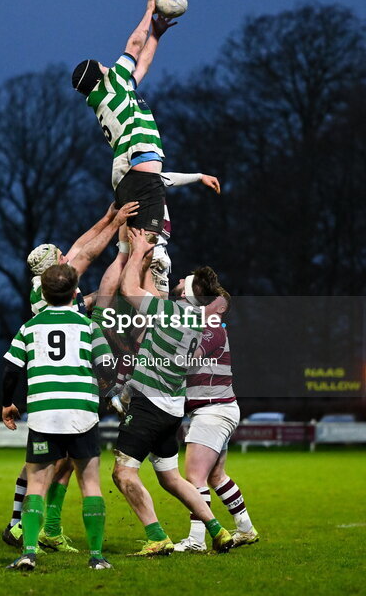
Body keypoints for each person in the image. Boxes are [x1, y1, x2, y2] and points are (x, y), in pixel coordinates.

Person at [1, 202, 137, 552]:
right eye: (61, 256)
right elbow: (86, 254)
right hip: (67, 388)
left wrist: (109, 217)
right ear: (55, 266)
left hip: (49, 389)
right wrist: (118, 228)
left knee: (52, 465)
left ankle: (39, 527)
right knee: (48, 467)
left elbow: (80, 248)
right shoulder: (54, 285)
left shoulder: (46, 285)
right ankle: (21, 527)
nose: (67, 254)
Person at [107, 228, 234, 556]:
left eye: (183, 280)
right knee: (171, 478)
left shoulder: (171, 313)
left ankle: (156, 535)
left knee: (123, 472)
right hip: (172, 407)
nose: (177, 281)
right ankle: (217, 530)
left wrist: (136, 251)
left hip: (150, 404)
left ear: (189, 292)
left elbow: (128, 289)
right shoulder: (196, 319)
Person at [0, 264, 117, 571]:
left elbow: (11, 371)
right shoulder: (88, 326)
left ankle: (28, 552)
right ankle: (97, 557)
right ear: (76, 292)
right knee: (89, 483)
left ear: (44, 293)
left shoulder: (29, 327)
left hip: (43, 416)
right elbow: (107, 368)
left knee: (37, 484)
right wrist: (110, 396)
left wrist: (6, 403)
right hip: (81, 414)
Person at [71, 0, 177, 238]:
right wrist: (149, 9)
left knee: (132, 250)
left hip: (128, 176)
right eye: (103, 66)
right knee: (146, 245)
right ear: (98, 77)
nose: (109, 66)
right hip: (140, 171)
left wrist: (156, 36)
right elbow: (134, 44)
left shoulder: (112, 95)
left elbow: (142, 68)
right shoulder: (110, 85)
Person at [172, 293, 260, 553]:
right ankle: (245, 528)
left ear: (217, 307)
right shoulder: (211, 328)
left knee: (194, 478)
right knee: (216, 476)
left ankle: (196, 540)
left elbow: (186, 362)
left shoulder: (211, 328)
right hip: (220, 408)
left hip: (212, 411)